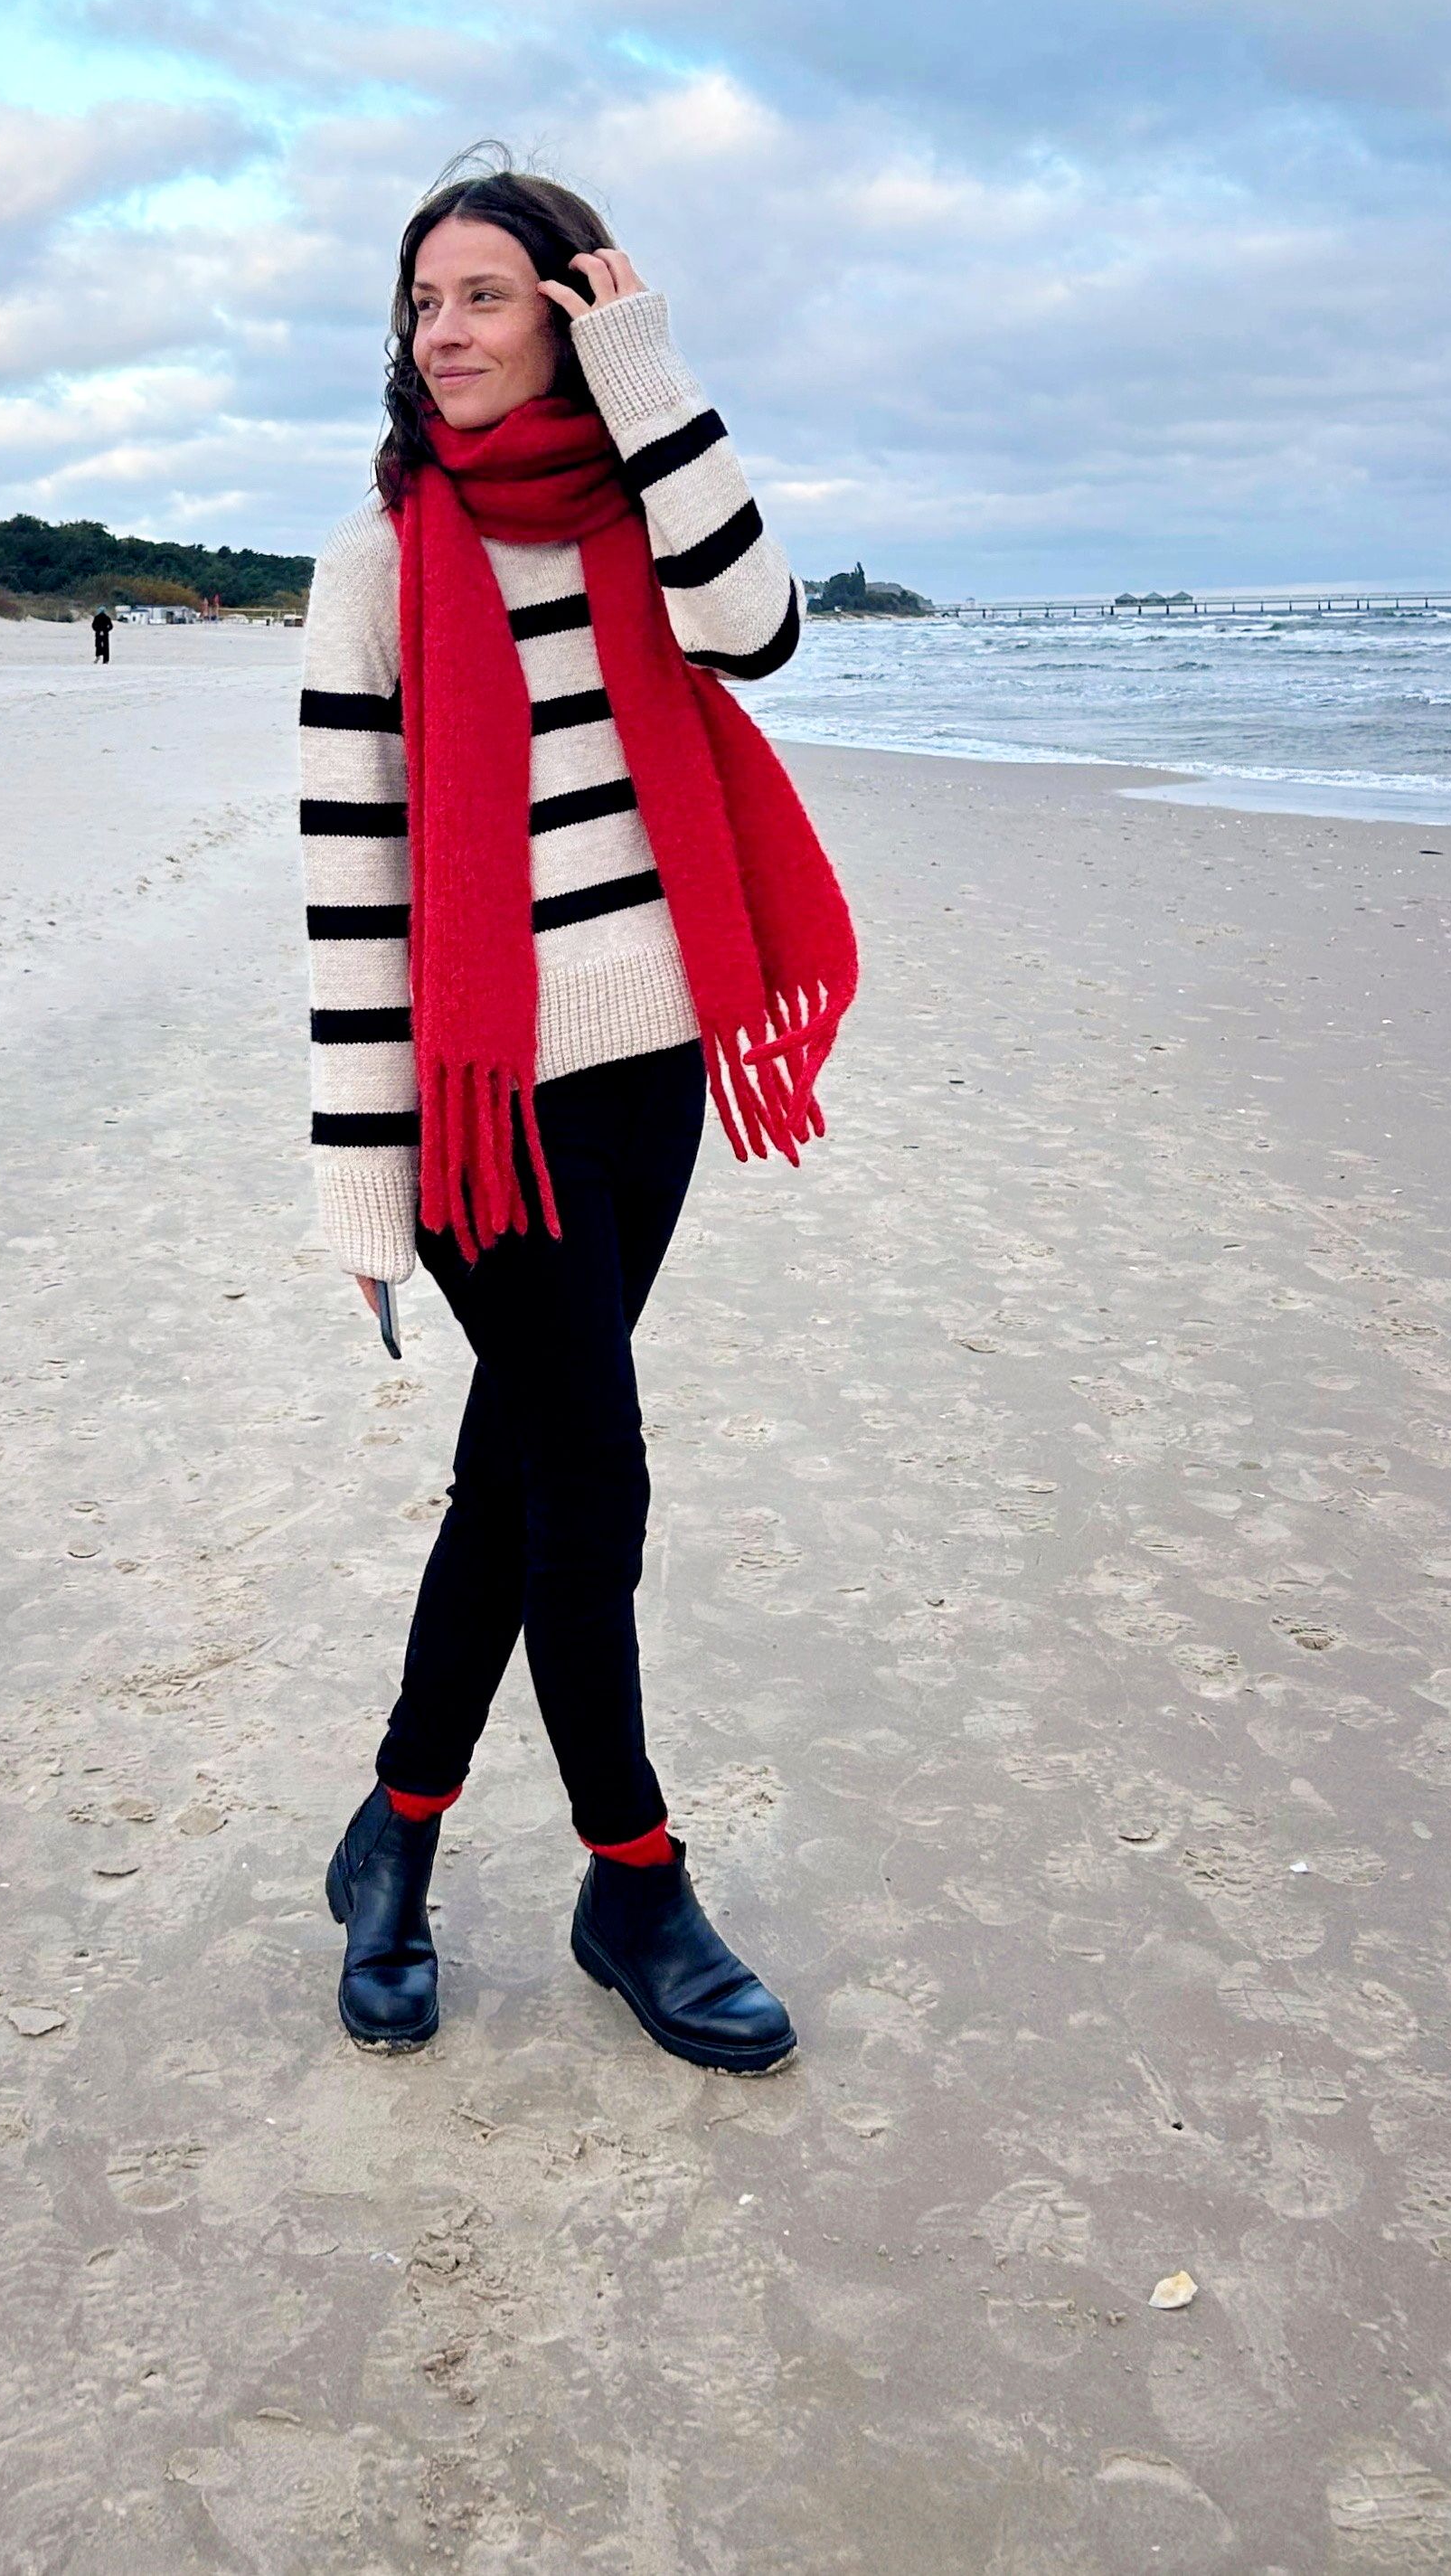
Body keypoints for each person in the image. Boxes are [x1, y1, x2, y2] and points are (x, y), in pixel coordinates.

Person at [298, 162, 856, 2071]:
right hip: (484, 1112)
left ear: (568, 312)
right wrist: (368, 1186)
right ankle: (635, 1879)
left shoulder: (641, 513)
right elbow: (358, 884)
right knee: (593, 1475)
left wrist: (655, 375)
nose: (443, 330)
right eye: (422, 299)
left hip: (656, 1072)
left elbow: (764, 625)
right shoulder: (379, 557)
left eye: (486, 295)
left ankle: (395, 1836)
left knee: (517, 1476)